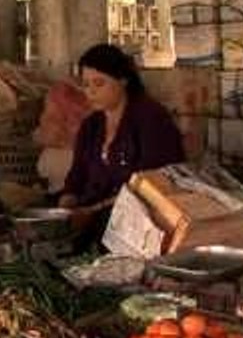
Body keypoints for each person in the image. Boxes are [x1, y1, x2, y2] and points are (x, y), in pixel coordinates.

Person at [58, 44, 185, 237]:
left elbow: (151, 186)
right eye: (86, 85)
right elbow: (76, 176)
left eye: (99, 83)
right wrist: (64, 208)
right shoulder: (90, 126)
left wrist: (92, 211)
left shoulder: (151, 119)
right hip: (92, 218)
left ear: (123, 80)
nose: (91, 92)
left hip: (140, 223)